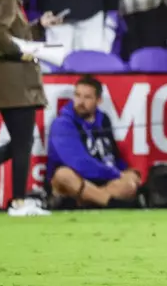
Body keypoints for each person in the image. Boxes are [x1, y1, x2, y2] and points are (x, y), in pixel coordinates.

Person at [0, 0, 61, 217]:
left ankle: (19, 200)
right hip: (14, 82)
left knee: (19, 143)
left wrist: (39, 27)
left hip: (8, 81)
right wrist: (22, 52)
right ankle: (18, 202)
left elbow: (11, 32)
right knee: (22, 142)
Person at [47, 75, 141, 208]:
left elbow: (112, 155)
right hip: (76, 182)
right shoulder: (62, 123)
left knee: (131, 180)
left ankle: (89, 201)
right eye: (78, 95)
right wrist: (114, 173)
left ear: (99, 100)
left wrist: (125, 173)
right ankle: (110, 202)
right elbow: (79, 163)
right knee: (63, 175)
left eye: (87, 97)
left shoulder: (104, 120)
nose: (81, 102)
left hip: (100, 183)